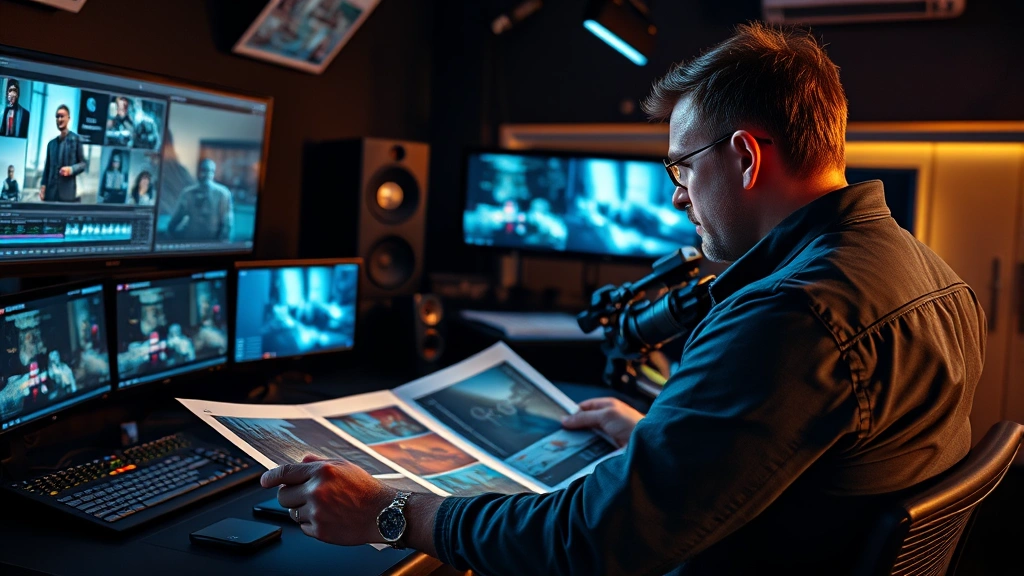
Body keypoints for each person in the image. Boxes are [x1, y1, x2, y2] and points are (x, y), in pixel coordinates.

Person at [259, 23, 984, 575]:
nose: (675, 197)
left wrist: (391, 512)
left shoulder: (792, 315)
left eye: (680, 167)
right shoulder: (928, 272)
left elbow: (596, 539)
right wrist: (659, 439)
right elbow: (812, 466)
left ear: (745, 156)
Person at [166, 158, 234, 241]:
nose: (207, 175)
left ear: (214, 173)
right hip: (191, 239)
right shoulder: (188, 193)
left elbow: (227, 222)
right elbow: (176, 219)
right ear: (198, 172)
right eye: (204, 171)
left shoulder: (223, 194)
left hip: (212, 241)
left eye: (210, 171)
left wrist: (222, 244)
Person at [40, 105, 87, 202]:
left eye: (62, 116)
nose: (59, 119)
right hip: (50, 194)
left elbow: (84, 164)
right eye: (57, 117)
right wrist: (43, 187)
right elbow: (47, 169)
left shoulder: (76, 139)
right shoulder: (51, 144)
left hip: (68, 195)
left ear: (68, 118)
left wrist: (71, 169)